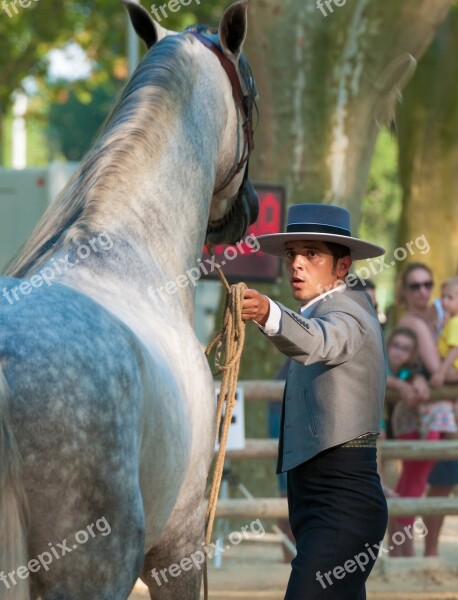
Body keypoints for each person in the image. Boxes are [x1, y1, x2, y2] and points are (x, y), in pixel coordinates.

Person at [241, 203, 387, 600]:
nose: (297, 265)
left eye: (312, 254)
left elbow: (319, 340)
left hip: (343, 501)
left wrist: (269, 312)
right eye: (292, 255)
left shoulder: (349, 313)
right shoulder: (328, 309)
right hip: (322, 502)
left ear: (343, 266)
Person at [396, 263, 458, 556]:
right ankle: (402, 554)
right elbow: (436, 369)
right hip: (420, 416)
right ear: (404, 291)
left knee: (438, 482)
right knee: (414, 483)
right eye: (414, 286)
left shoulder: (437, 320)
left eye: (427, 284)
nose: (423, 291)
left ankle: (424, 554)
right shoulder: (413, 323)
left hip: (441, 416)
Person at [386, 327, 442, 557]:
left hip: (416, 433)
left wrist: (415, 380)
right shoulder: (386, 369)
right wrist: (402, 385)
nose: (399, 352)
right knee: (405, 489)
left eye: (406, 349)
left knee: (410, 489)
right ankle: (400, 552)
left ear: (413, 355)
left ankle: (403, 552)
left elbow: (412, 378)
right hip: (401, 434)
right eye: (396, 346)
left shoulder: (408, 372)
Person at [430, 276, 458, 388]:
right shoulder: (451, 321)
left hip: (453, 367)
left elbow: (455, 349)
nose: (444, 301)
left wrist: (441, 372)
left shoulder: (454, 323)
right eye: (443, 297)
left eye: (450, 298)